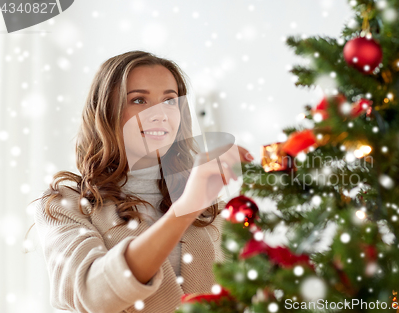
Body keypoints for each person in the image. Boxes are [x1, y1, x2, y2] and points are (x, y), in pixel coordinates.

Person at [30, 50, 253, 313]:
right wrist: (184, 211)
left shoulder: (207, 205)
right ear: (105, 111)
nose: (160, 114)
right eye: (139, 100)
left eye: (169, 101)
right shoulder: (66, 204)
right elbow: (92, 296)